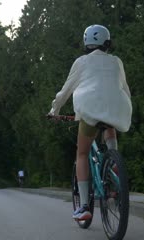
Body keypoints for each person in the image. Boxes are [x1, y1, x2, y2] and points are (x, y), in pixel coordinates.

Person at [47, 25, 132, 221]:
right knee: (109, 124)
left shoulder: (81, 62)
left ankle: (84, 206)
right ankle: (114, 163)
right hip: (117, 105)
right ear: (107, 43)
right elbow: (124, 88)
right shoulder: (116, 62)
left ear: (86, 43)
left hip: (90, 106)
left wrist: (54, 110)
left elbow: (65, 91)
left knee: (82, 154)